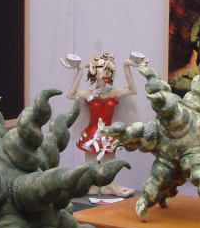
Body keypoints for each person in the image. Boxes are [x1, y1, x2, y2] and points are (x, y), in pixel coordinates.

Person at [61, 52, 146, 196]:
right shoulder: (88, 94)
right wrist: (80, 70)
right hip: (91, 134)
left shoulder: (114, 92)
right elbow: (70, 95)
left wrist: (127, 65)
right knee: (90, 166)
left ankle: (109, 186)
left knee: (109, 165)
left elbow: (132, 90)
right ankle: (91, 185)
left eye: (109, 69)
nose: (106, 72)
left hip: (109, 135)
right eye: (102, 67)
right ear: (93, 69)